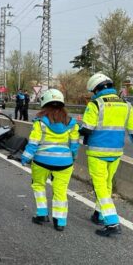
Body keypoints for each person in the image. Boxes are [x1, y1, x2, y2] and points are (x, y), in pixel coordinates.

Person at [79, 73, 133, 237]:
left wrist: (75, 127)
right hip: (116, 153)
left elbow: (86, 129)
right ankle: (99, 215)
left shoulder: (95, 104)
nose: (93, 94)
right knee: (108, 183)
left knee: (100, 187)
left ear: (96, 89)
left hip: (97, 153)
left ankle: (112, 223)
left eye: (93, 91)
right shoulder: (126, 105)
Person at [21, 89, 80, 231]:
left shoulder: (40, 123)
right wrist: (73, 158)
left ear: (44, 104)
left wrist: (25, 158)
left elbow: (33, 143)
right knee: (60, 191)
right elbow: (74, 144)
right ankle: (60, 222)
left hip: (42, 161)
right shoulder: (72, 123)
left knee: (38, 185)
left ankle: (42, 214)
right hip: (65, 163)